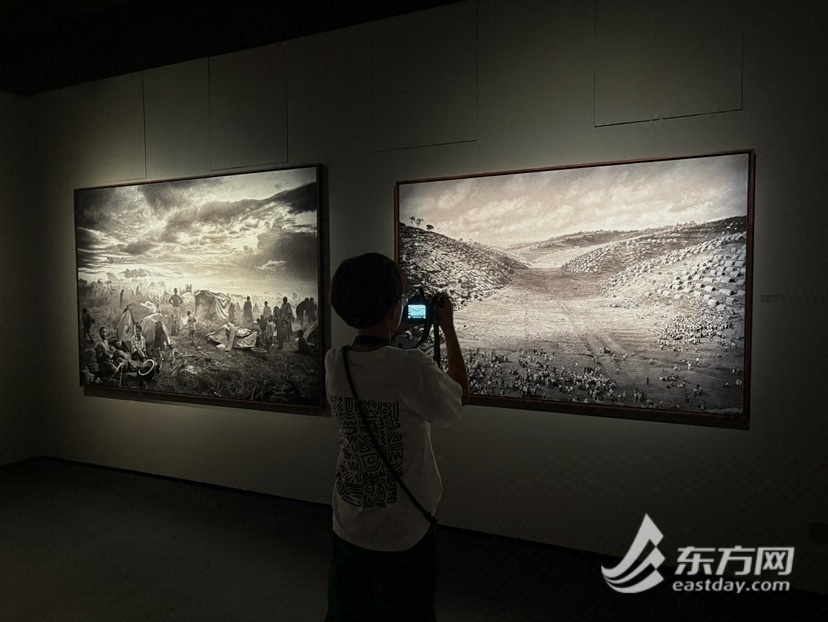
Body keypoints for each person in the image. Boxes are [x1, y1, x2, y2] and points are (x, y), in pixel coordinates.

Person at [323, 253, 469, 622]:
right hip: (403, 528)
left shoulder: (334, 361)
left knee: (348, 613)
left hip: (349, 518)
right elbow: (457, 397)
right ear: (393, 308)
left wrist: (389, 325)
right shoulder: (411, 367)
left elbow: (376, 362)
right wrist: (448, 328)